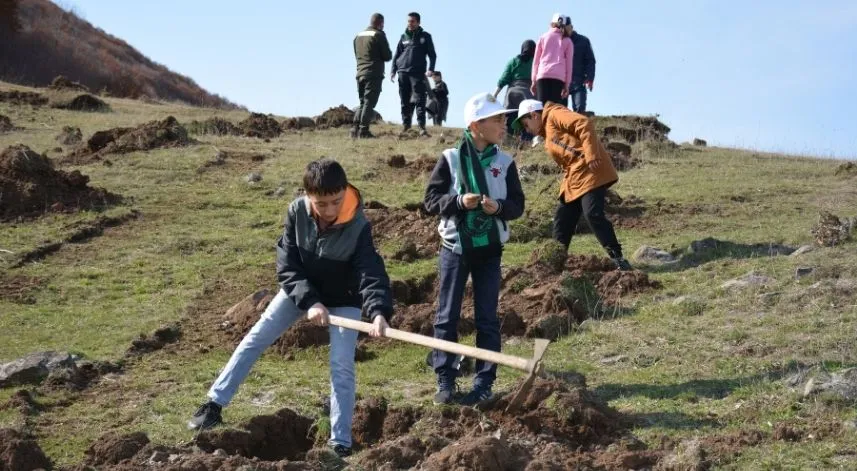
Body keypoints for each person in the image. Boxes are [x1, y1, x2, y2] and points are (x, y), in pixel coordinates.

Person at [187, 159, 394, 458]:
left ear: (344, 192)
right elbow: (288, 264)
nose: (330, 210)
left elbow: (370, 272)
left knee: (341, 365)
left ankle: (341, 442)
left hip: (344, 298)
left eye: (336, 201)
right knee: (256, 337)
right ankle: (213, 405)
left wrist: (378, 312)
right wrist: (310, 302)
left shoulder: (359, 225)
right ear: (308, 195)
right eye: (322, 204)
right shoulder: (296, 211)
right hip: (302, 291)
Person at [424, 93, 526, 406]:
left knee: (487, 317)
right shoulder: (451, 159)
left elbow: (517, 206)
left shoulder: (505, 162)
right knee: (447, 314)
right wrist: (456, 202)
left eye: (503, 118)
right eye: (497, 119)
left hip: (490, 251)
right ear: (475, 126)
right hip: (455, 248)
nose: (503, 124)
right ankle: (445, 377)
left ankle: (484, 382)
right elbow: (430, 201)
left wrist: (499, 208)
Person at [512, 99, 633, 271]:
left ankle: (618, 259)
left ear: (534, 115)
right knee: (562, 220)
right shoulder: (546, 133)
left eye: (526, 124)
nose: (527, 129)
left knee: (592, 213)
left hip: (591, 169)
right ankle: (553, 264)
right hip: (575, 177)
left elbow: (583, 123)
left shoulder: (554, 114)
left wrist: (591, 155)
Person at [391, 12, 437, 136]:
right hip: (402, 72)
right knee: (404, 100)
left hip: (417, 73)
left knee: (420, 99)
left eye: (412, 21)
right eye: (408, 21)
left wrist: (431, 69)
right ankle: (406, 126)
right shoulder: (403, 37)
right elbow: (397, 55)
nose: (409, 24)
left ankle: (422, 127)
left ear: (418, 23)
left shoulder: (425, 36)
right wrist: (393, 70)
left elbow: (432, 55)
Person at [352, 13, 393, 139]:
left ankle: (354, 129)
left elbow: (356, 55)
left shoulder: (357, 36)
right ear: (380, 23)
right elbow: (387, 56)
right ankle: (364, 131)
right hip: (373, 73)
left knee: (363, 102)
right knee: (369, 102)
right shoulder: (379, 35)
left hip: (360, 73)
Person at [493, 39, 536, 136]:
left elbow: (503, 80)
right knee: (527, 119)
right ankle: (525, 139)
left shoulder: (512, 62)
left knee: (509, 118)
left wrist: (494, 95)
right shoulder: (536, 62)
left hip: (512, 94)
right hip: (528, 94)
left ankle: (509, 138)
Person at [531, 13, 573, 107]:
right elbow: (569, 65)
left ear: (551, 24)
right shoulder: (567, 41)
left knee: (542, 108)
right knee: (554, 109)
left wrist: (533, 80)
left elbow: (536, 61)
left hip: (542, 75)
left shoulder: (543, 37)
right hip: (558, 78)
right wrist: (567, 84)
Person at [566, 18, 596, 113]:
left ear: (571, 27)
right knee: (560, 111)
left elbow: (590, 61)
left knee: (580, 109)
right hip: (561, 82)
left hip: (578, 81)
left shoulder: (583, 41)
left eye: (567, 28)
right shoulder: (558, 42)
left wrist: (590, 78)